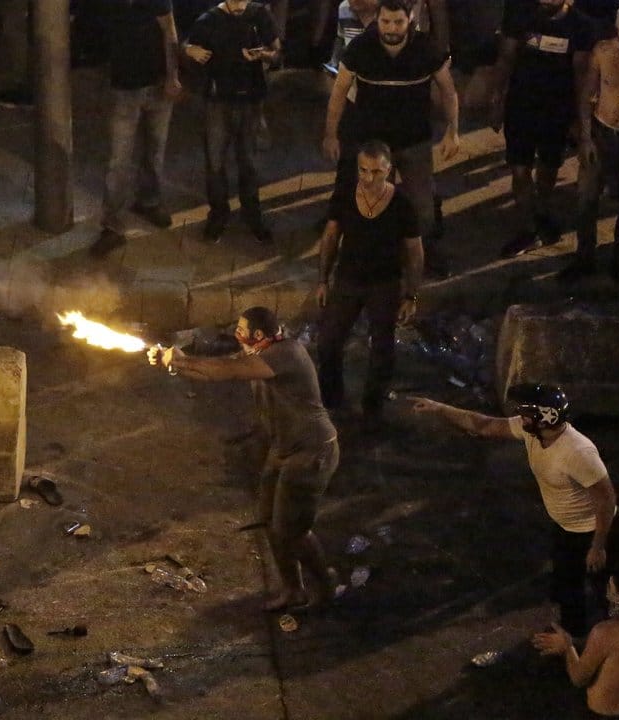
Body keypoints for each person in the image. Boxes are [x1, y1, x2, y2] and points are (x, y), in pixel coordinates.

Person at [149, 306, 340, 611]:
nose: (236, 333)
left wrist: (182, 360)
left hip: (311, 451)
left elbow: (228, 371)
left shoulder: (285, 354)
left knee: (293, 531)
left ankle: (325, 582)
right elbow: (215, 371)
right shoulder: (257, 352)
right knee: (269, 520)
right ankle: (293, 590)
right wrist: (173, 363)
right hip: (283, 449)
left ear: (260, 335)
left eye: (241, 329)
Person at [411, 383, 619, 637]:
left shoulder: (578, 452)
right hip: (565, 527)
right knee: (567, 586)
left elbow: (606, 498)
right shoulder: (534, 432)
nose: (521, 417)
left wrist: (598, 546)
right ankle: (574, 633)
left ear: (547, 416)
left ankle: (608, 643)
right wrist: (439, 408)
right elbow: (484, 425)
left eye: (527, 412)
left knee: (603, 590)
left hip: (592, 531)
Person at [322, 0, 458, 273]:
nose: (391, 28)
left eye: (398, 22)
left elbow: (448, 90)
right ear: (378, 20)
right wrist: (331, 134)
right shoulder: (361, 48)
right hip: (374, 143)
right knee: (372, 199)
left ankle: (424, 253)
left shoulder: (425, 48)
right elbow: (339, 93)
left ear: (409, 20)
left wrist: (452, 131)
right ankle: (378, 257)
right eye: (385, 22)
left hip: (414, 140)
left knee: (421, 205)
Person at [315, 141, 422, 426]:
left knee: (382, 349)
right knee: (328, 343)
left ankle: (372, 406)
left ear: (389, 170)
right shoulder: (345, 196)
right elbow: (330, 237)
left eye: (376, 171)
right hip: (348, 279)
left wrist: (411, 295)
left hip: (384, 284)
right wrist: (323, 279)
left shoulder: (402, 204)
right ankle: (332, 400)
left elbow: (415, 252)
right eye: (363, 170)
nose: (369, 178)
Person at [492, 0, 595, 258]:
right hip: (521, 105)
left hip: (556, 111)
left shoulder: (580, 26)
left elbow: (581, 76)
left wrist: (580, 121)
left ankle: (543, 212)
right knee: (519, 168)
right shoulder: (520, 13)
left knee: (549, 167)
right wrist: (497, 100)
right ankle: (528, 229)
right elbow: (505, 58)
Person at [88, 0, 181, 258]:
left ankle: (149, 201)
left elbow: (169, 33)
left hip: (155, 83)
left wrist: (172, 77)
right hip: (124, 87)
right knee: (119, 160)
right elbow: (97, 40)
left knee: (154, 149)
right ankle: (112, 225)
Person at [181, 0, 278, 245]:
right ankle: (218, 214)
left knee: (248, 161)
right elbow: (187, 46)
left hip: (250, 99)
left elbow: (277, 51)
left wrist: (262, 54)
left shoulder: (259, 15)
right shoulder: (210, 19)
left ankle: (252, 213)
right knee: (215, 162)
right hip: (218, 100)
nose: (239, 4)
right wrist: (190, 51)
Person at [567, 2, 619, 282]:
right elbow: (587, 93)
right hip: (602, 133)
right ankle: (584, 257)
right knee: (586, 199)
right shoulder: (603, 51)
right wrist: (585, 137)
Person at [533, 575, 619, 718]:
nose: (607, 595)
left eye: (610, 589)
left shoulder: (606, 631)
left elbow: (578, 678)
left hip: (605, 714)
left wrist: (567, 646)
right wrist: (574, 641)